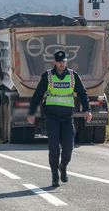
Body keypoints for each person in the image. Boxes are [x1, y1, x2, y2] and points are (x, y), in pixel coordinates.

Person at [27, 50, 92, 187]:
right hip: (52, 117)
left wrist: (87, 110)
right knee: (54, 147)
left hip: (67, 117)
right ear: (54, 62)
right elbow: (38, 95)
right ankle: (54, 176)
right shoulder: (48, 76)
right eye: (59, 62)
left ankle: (63, 166)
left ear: (66, 61)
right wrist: (32, 112)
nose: (62, 64)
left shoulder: (73, 76)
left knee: (69, 146)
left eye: (64, 62)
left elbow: (82, 93)